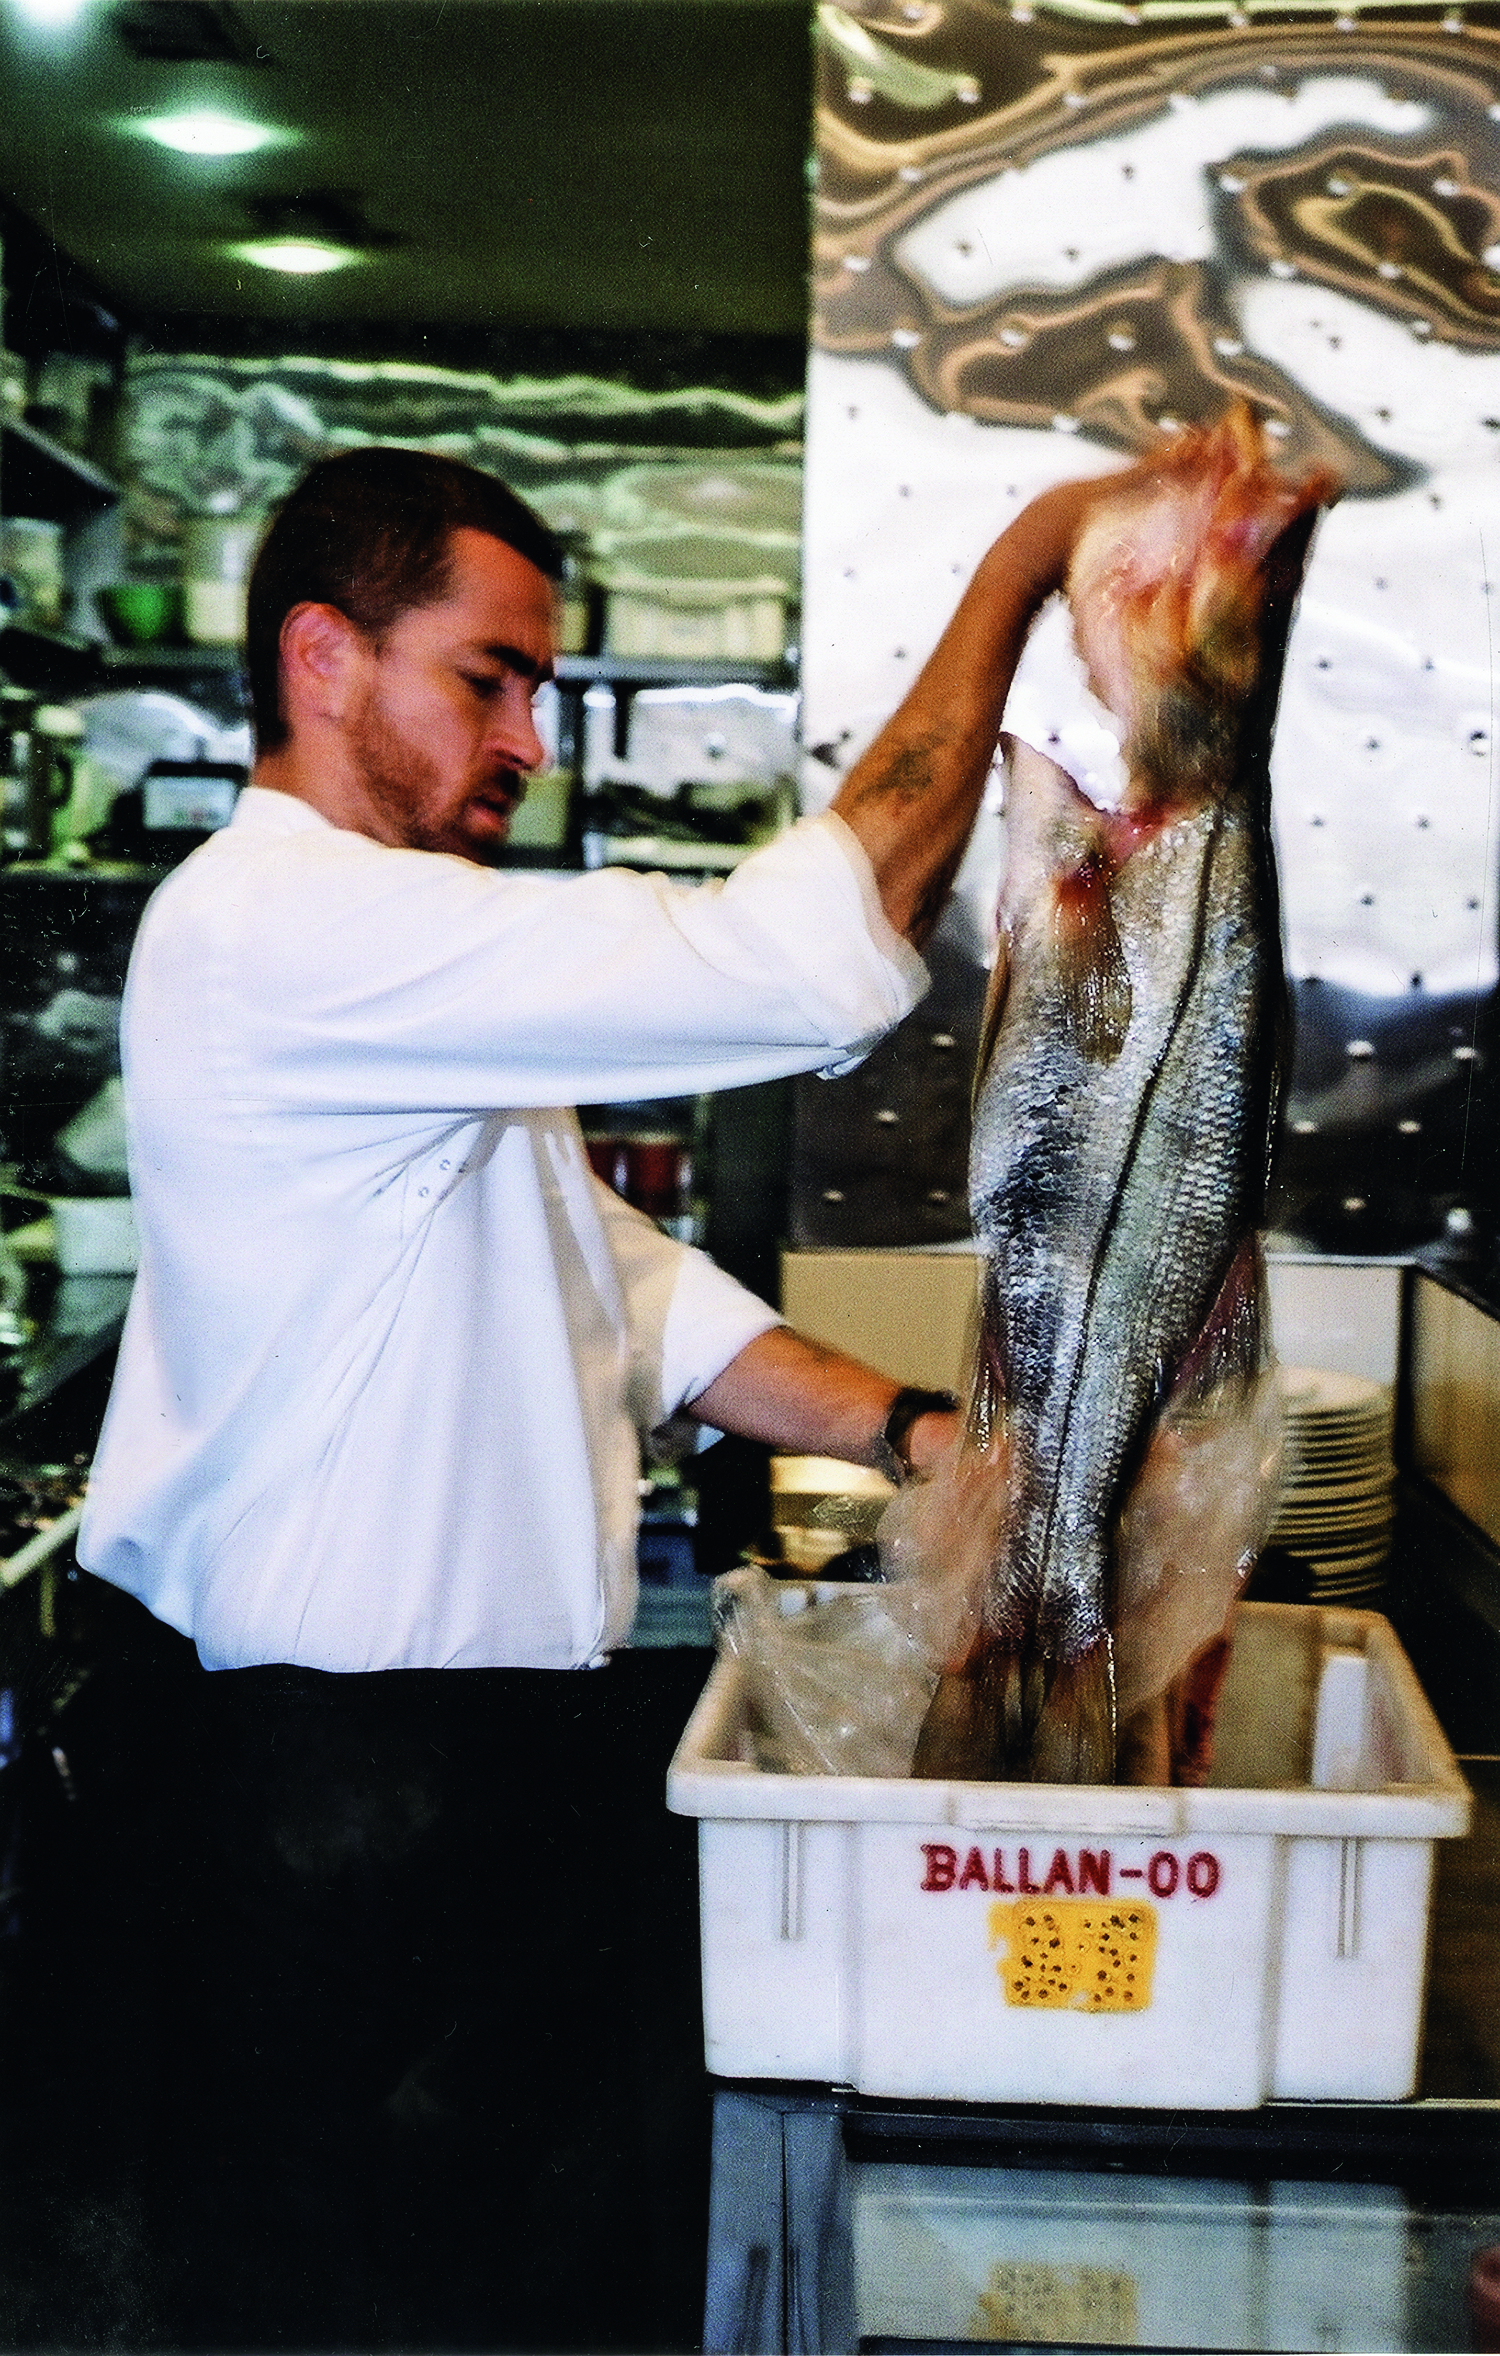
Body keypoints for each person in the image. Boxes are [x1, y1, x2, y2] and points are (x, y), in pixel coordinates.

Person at [72, 445, 1126, 2347]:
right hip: (318, 1787)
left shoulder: (400, 950)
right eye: (488, 677)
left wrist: (916, 1435)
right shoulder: (284, 924)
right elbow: (788, 959)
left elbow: (621, 1298)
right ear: (324, 657)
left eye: (539, 688)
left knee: (504, 2276)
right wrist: (1021, 566)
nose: (532, 740)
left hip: (458, 1772)